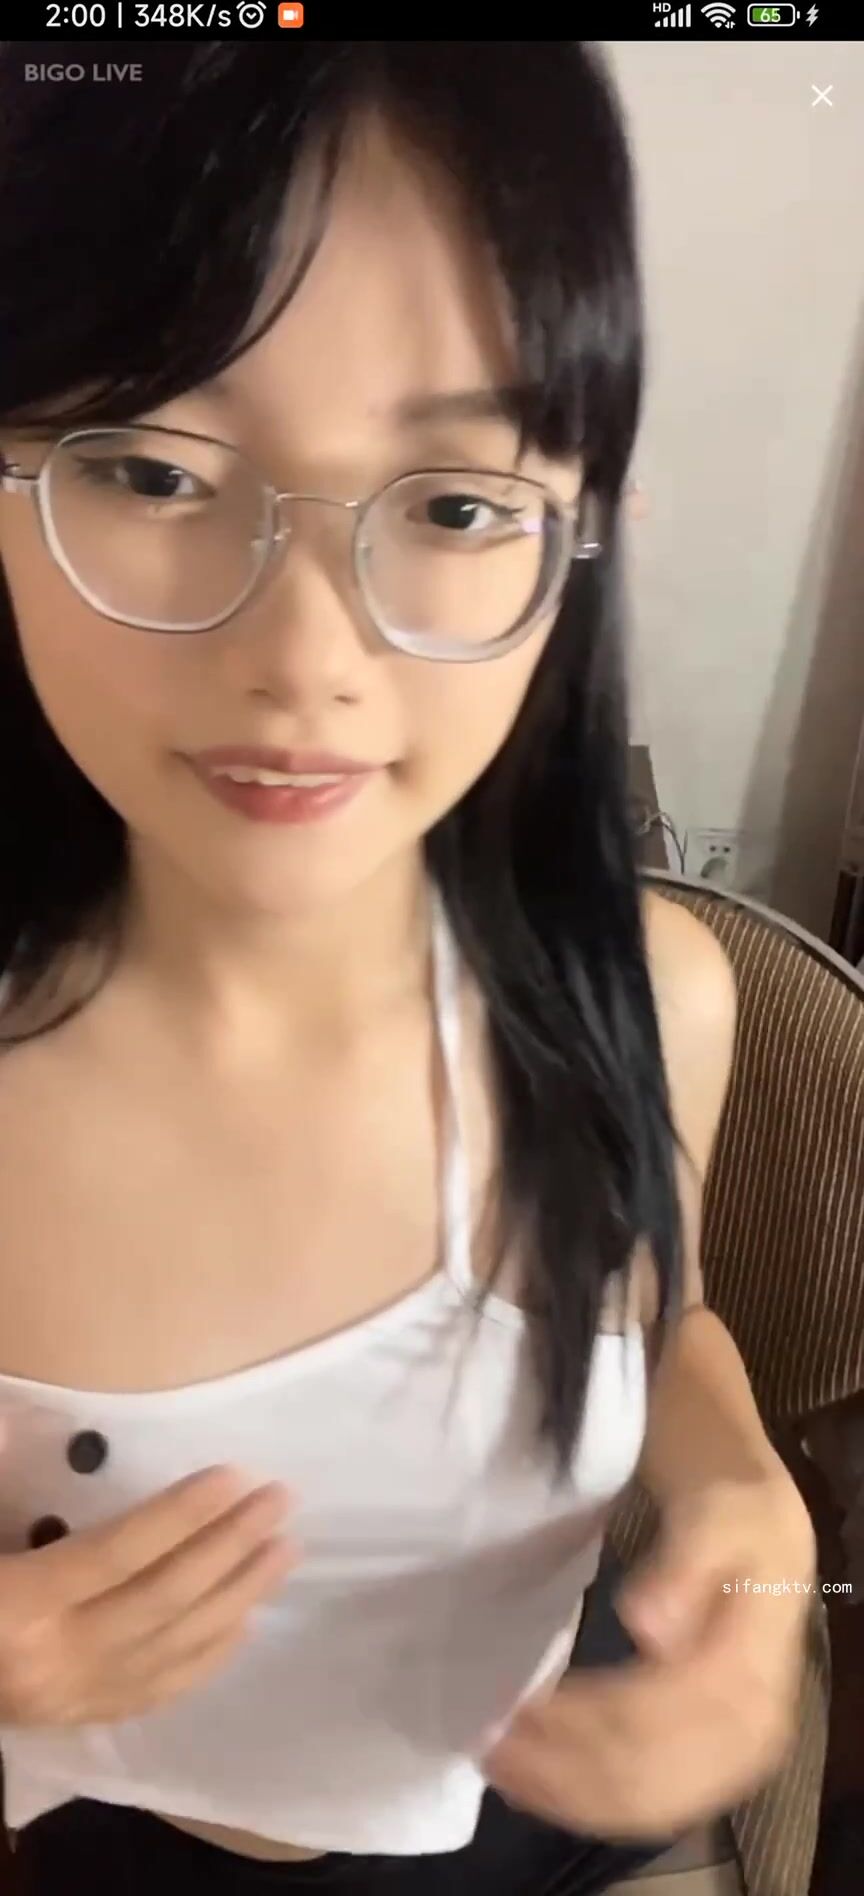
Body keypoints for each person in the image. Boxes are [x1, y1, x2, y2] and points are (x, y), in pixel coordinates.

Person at [0, 41, 815, 1896]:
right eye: (153, 468)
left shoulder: (650, 999)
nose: (303, 658)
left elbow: (649, 1308)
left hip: (563, 1820)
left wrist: (747, 1504)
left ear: (577, 542)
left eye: (452, 504)